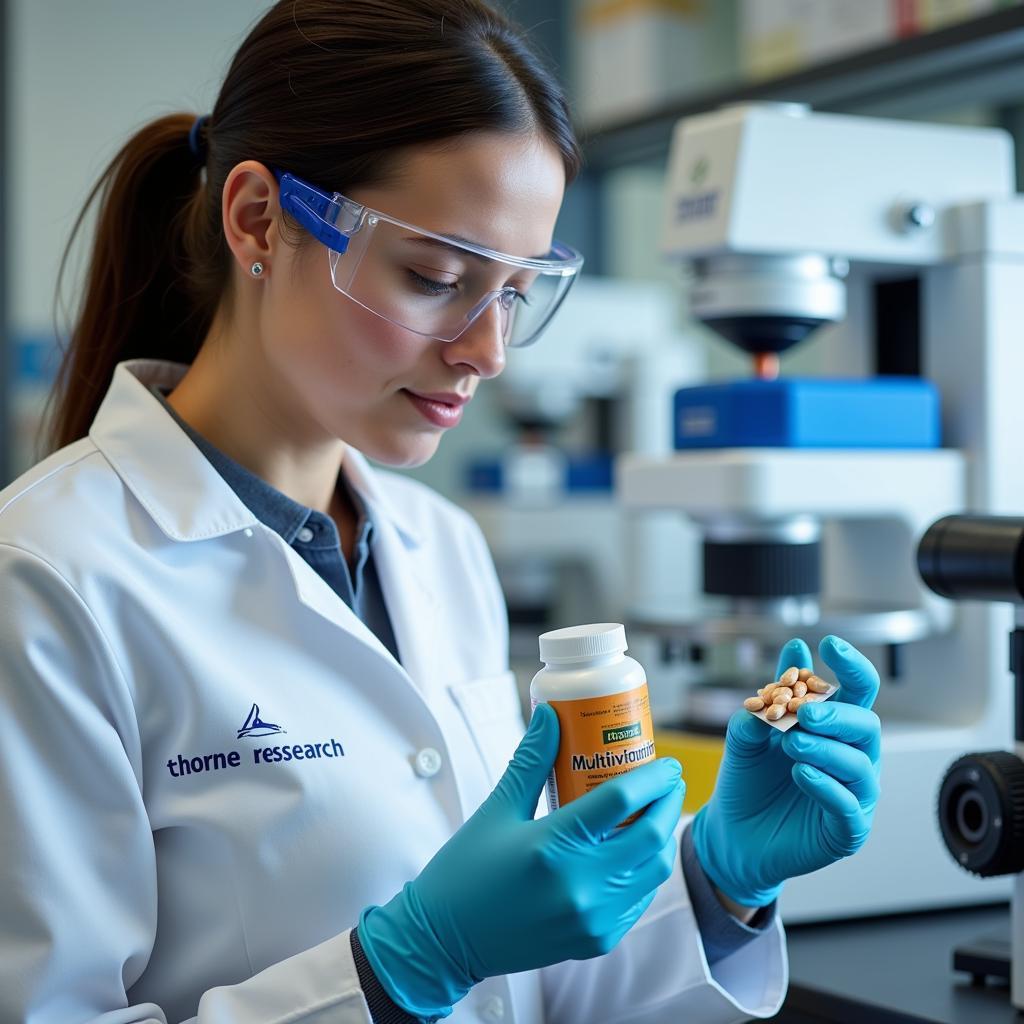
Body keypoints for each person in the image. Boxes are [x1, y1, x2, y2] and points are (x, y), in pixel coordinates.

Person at [0, 2, 882, 1021]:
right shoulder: (46, 578)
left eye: (513, 292)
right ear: (258, 220)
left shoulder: (440, 547)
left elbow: (530, 981)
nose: (487, 352)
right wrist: (396, 970)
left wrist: (719, 884)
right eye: (437, 277)